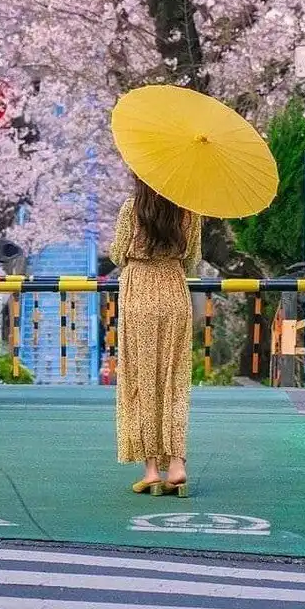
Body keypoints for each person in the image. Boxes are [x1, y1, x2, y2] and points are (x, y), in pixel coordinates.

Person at [109, 175, 202, 496]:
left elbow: (117, 253)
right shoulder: (190, 213)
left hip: (138, 294)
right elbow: (192, 259)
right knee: (174, 380)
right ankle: (176, 465)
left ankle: (151, 471)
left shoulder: (131, 209)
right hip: (174, 292)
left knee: (142, 380)